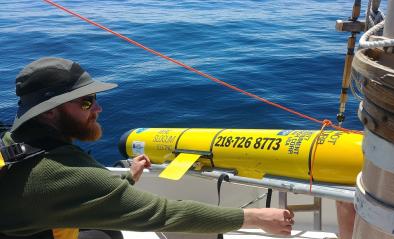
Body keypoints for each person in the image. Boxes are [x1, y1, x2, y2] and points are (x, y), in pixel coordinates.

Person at [0, 57, 294, 239]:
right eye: (86, 102)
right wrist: (254, 218)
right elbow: (163, 213)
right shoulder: (55, 171)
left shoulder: (12, 143)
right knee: (109, 231)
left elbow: (73, 190)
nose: (98, 108)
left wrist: (127, 175)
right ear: (49, 112)